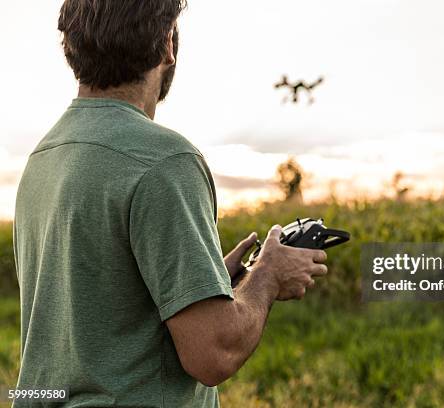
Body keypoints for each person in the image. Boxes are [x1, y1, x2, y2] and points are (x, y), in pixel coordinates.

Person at [12, 1, 327, 406]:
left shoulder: (45, 157)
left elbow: (99, 308)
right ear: (166, 45)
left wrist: (210, 283)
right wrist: (268, 275)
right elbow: (214, 352)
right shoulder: (164, 160)